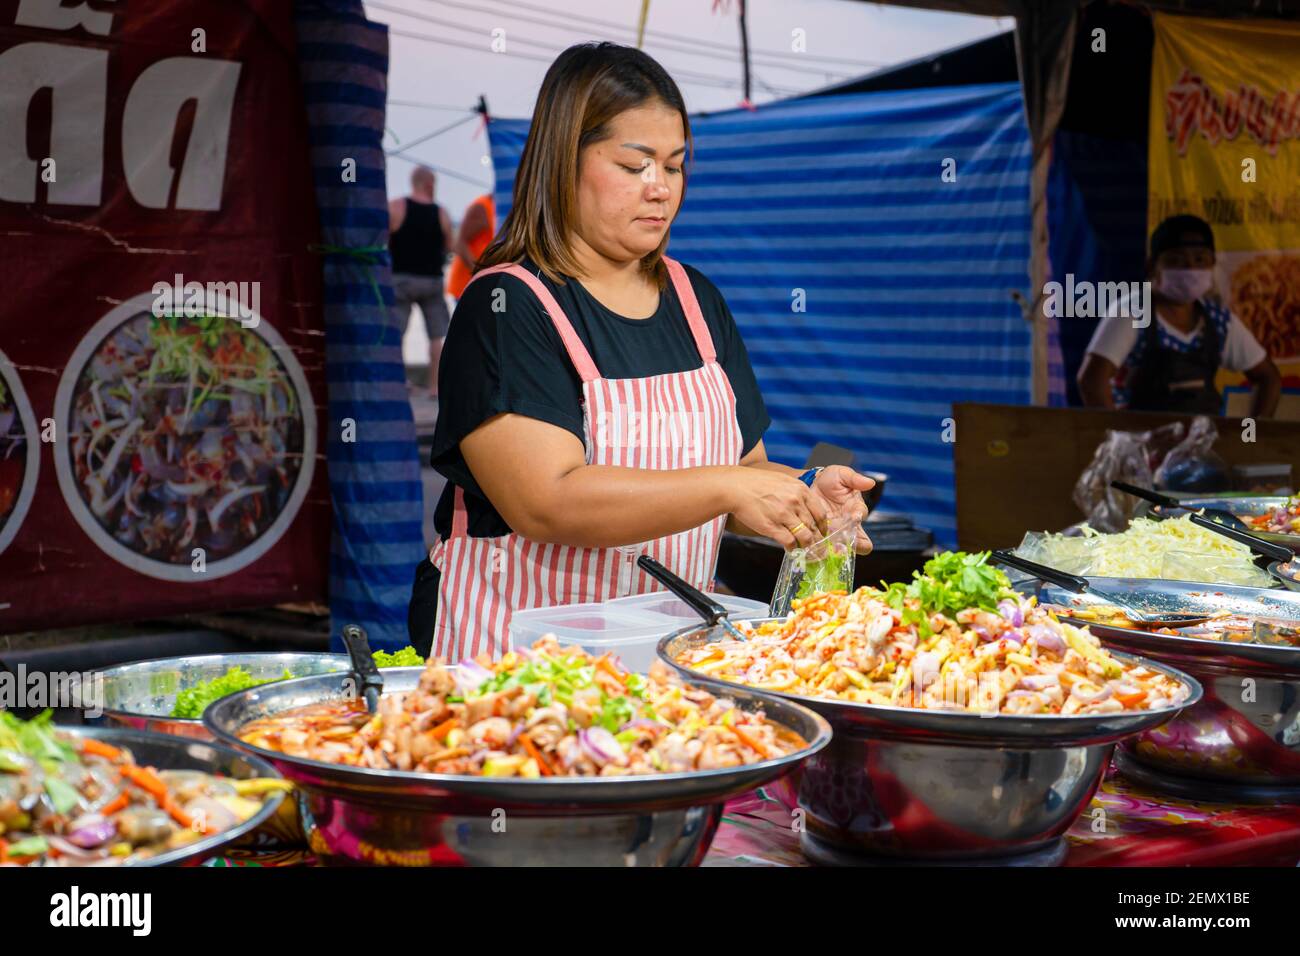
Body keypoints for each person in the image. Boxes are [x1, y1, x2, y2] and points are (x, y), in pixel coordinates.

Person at [407, 42, 876, 659]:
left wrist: (805, 490)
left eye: (675, 166)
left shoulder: (696, 300)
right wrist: (729, 488)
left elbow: (746, 471)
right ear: (563, 161)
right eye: (635, 166)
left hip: (670, 655)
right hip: (520, 662)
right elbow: (547, 501)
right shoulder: (507, 306)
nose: (660, 189)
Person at [1077, 214, 1281, 416]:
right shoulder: (1132, 312)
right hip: (1142, 443)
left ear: (1212, 264)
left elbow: (1268, 378)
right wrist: (1119, 437)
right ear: (1152, 267)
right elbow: (1092, 382)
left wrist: (1253, 435)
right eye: (1176, 260)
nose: (1190, 268)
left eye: (1200, 259)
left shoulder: (1218, 321)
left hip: (1203, 442)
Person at [388, 166, 454, 398]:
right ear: (429, 184)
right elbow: (449, 245)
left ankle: (399, 381)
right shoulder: (441, 213)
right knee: (437, 336)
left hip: (401, 279)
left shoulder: (397, 207)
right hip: (432, 281)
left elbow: (382, 241)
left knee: (397, 333)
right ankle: (435, 387)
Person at [446, 193, 497, 300]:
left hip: (489, 285)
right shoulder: (482, 206)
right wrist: (480, 275)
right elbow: (460, 243)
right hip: (470, 286)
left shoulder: (502, 208)